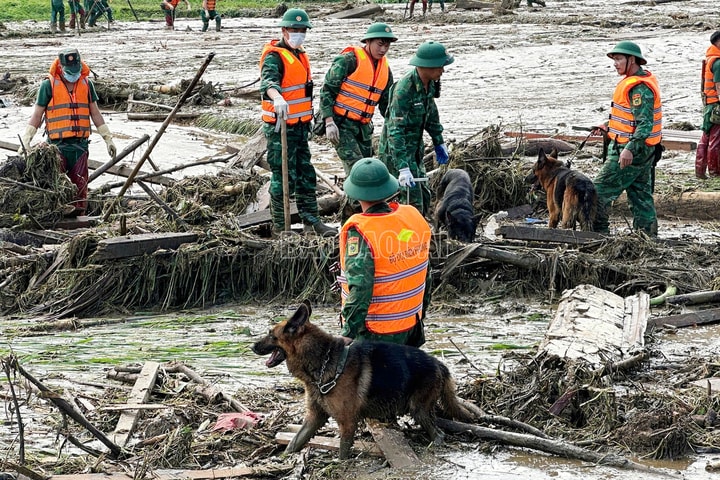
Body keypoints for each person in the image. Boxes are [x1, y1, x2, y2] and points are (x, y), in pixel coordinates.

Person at [259, 8, 336, 237]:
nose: (299, 34)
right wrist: (277, 97)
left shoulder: (300, 53)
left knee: (306, 174)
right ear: (284, 30)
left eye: (303, 30)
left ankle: (312, 222)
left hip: (301, 127)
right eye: (295, 30)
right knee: (284, 177)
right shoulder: (274, 56)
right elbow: (268, 83)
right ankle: (281, 228)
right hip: (281, 128)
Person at [338, 157, 431, 346]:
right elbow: (426, 274)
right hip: (410, 325)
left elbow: (361, 287)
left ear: (356, 193)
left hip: (377, 333)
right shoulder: (412, 217)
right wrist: (420, 315)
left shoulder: (361, 232)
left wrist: (349, 331)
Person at [17, 48, 117, 216]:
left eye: (76, 71)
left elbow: (95, 113)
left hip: (79, 147)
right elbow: (37, 114)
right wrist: (27, 139)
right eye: (70, 72)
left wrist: (108, 138)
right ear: (61, 68)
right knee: (57, 188)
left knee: (80, 189)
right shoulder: (48, 85)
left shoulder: (86, 84)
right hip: (57, 147)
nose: (74, 75)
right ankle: (58, 218)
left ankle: (79, 219)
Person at [319, 22, 397, 221]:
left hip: (363, 128)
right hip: (341, 126)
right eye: (380, 44)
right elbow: (327, 90)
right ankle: (355, 220)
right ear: (368, 41)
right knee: (359, 173)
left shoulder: (385, 71)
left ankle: (351, 217)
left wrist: (396, 125)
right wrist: (329, 121)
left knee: (368, 171)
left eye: (387, 45)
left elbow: (386, 104)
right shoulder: (348, 60)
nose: (383, 49)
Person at [591, 41, 663, 237]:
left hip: (630, 150)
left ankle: (598, 236)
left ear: (632, 60)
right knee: (640, 196)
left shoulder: (639, 88)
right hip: (644, 150)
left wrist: (630, 148)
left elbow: (645, 123)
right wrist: (608, 126)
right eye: (614, 60)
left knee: (597, 193)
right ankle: (648, 239)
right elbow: (631, 117)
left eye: (619, 59)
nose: (615, 63)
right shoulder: (638, 80)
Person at [378, 40, 453, 217]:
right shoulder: (404, 90)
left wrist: (438, 141)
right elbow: (394, 131)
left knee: (424, 195)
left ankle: (419, 231)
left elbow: (431, 113)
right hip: (397, 153)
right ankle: (404, 237)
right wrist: (402, 168)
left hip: (415, 150)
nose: (443, 70)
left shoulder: (431, 82)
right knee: (408, 201)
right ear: (427, 66)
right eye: (440, 66)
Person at [696, 31, 720, 179]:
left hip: (708, 104)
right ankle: (715, 172)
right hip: (716, 106)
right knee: (716, 139)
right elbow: (719, 87)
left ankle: (700, 171)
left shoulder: (710, 59)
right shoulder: (718, 63)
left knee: (706, 136)